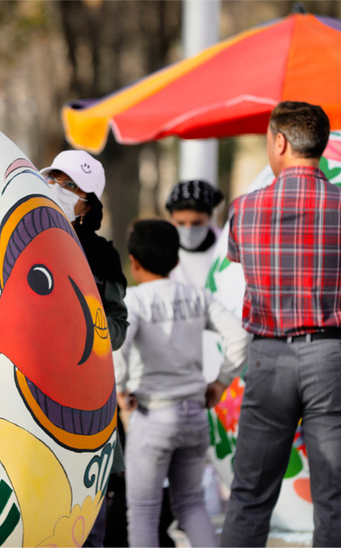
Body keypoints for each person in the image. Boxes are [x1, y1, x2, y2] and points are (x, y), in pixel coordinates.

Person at [221, 101, 341, 546]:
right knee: (335, 495)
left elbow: (238, 260)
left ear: (280, 142)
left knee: (251, 491)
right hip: (331, 355)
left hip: (269, 356)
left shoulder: (246, 208)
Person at [114, 219, 250, 548]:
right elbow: (241, 336)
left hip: (153, 416)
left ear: (133, 262)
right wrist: (220, 382)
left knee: (144, 512)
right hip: (194, 416)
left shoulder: (133, 301)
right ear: (177, 260)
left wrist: (119, 390)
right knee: (191, 506)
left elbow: (118, 347)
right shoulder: (197, 296)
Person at [41, 150, 128, 546]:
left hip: (81, 403)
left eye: (71, 185)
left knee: (85, 521)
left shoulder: (101, 257)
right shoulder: (21, 236)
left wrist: (81, 328)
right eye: (54, 178)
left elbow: (117, 327)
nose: (58, 188)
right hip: (26, 393)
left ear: (87, 204)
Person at [165, 180, 224, 287]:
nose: (188, 229)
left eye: (197, 223)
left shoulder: (225, 247)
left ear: (210, 217)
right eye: (180, 223)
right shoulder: (162, 249)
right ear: (171, 219)